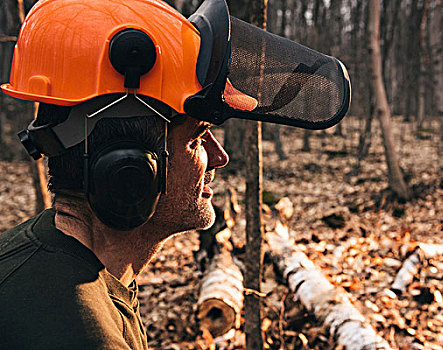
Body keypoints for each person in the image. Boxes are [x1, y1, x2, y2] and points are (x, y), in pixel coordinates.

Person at [0, 0, 350, 348]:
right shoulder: (74, 330)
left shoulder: (62, 269)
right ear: (129, 168)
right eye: (198, 137)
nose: (220, 157)